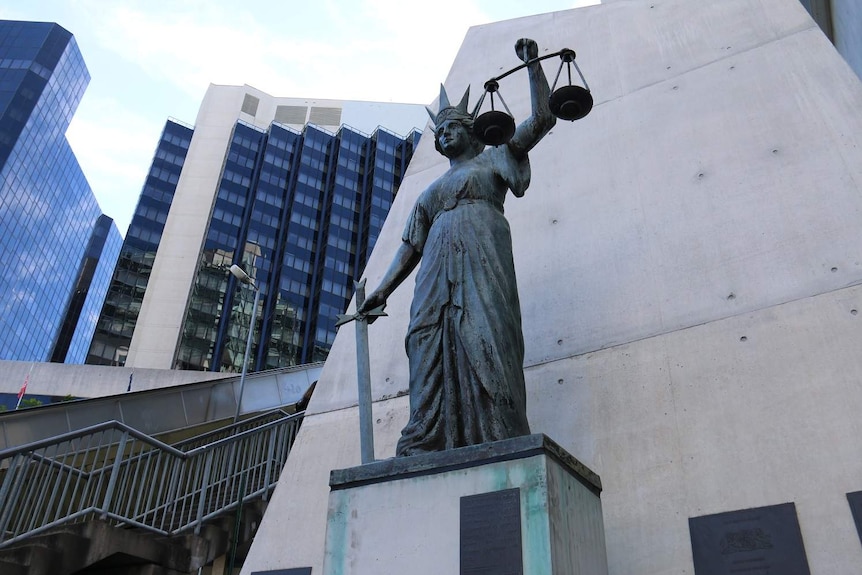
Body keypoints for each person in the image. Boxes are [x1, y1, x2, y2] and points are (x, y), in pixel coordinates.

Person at [360, 38, 556, 456]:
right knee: (426, 340)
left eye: (452, 128)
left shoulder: (494, 159)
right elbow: (410, 247)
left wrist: (533, 64)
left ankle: (500, 434)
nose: (445, 134)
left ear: (473, 133)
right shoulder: (430, 193)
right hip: (434, 273)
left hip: (483, 258)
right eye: (440, 131)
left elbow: (543, 117)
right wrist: (382, 290)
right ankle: (429, 436)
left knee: (490, 337)